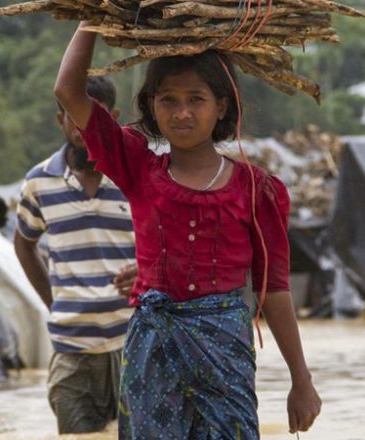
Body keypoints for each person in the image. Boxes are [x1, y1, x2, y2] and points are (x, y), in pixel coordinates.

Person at [54, 23, 322, 438]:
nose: (182, 113)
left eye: (196, 100)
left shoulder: (255, 189)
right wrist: (91, 19)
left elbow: (275, 289)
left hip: (226, 356)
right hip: (152, 352)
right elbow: (69, 92)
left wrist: (300, 379)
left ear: (221, 106)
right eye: (169, 100)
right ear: (152, 107)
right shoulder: (138, 167)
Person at [14, 76, 137, 435]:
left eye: (94, 115)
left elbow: (166, 240)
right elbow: (24, 243)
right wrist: (54, 303)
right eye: (73, 115)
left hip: (133, 342)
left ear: (112, 118)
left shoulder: (134, 175)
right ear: (60, 120)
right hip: (72, 350)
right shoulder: (39, 183)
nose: (82, 125)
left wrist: (146, 268)